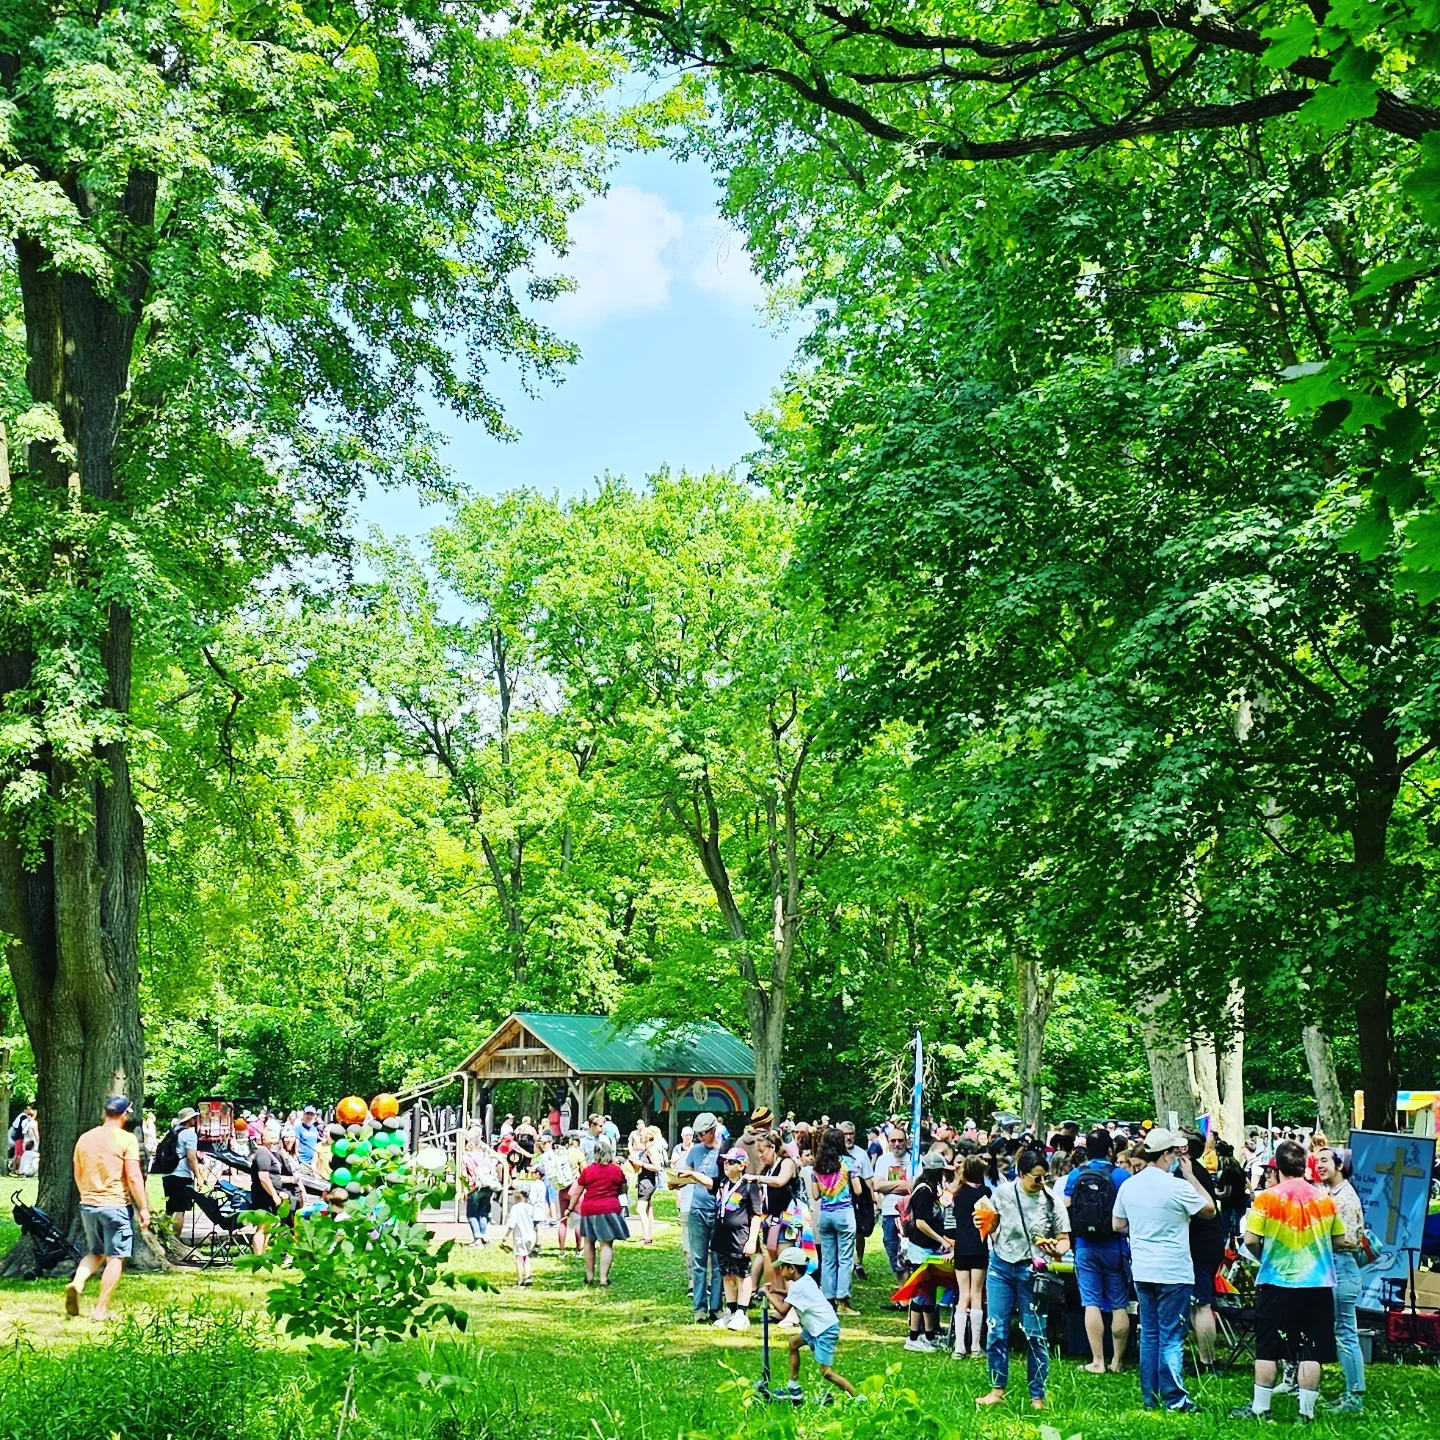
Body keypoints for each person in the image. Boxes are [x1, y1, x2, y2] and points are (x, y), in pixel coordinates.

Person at [1229, 1138, 1344, 1424]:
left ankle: (1261, 1409)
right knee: (1311, 1350)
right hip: (1317, 1283)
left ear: (1277, 1167)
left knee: (1267, 1347)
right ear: (1305, 1166)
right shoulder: (1325, 1200)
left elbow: (1251, 1240)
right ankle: (1306, 1413)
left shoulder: (1266, 1199)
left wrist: (1264, 1256)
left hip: (1277, 1281)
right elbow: (1340, 1240)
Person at [1111, 1127, 1214, 1414]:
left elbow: (1118, 1224)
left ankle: (1150, 1396)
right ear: (1166, 1155)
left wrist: (1142, 1230)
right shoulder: (1177, 1186)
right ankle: (1174, 1398)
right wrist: (1191, 1175)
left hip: (1143, 1269)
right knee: (1171, 1336)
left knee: (1150, 1333)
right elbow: (1209, 1210)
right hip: (1173, 1269)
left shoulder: (1130, 1185)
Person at [975, 1147, 1070, 1411]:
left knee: (1035, 1333)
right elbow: (991, 1226)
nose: (1042, 1182)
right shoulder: (1002, 1194)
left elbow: (1064, 1240)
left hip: (1033, 1271)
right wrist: (981, 1222)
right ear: (1021, 1174)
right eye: (1037, 1177)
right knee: (996, 1328)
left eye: (1045, 1177)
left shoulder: (1051, 1200)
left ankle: (1037, 1395)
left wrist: (1055, 1248)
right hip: (1001, 1266)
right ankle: (996, 1389)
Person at [66, 1096, 149, 1322]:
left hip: (88, 1205)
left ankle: (78, 1282)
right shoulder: (127, 1139)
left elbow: (78, 1173)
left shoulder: (84, 1138)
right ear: (125, 1115)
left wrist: (86, 1195)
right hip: (115, 1206)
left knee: (95, 1252)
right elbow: (133, 1177)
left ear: (104, 1113)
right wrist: (143, 1208)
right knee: (115, 1257)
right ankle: (100, 1310)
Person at [1064, 1127, 1131, 1375]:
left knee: (1091, 1302)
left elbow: (1067, 1208)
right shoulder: (1122, 1176)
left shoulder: (1075, 1175)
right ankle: (1117, 1361)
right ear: (1110, 1150)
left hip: (1084, 1246)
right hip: (1115, 1245)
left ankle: (1097, 1361)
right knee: (1119, 1304)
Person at [765, 1246, 858, 1400]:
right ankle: (793, 1387)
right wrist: (776, 1291)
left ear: (792, 1268)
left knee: (826, 1372)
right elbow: (792, 1295)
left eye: (782, 1267)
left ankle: (858, 1397)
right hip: (817, 1327)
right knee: (793, 1344)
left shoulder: (798, 1287)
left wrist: (767, 1294)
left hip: (824, 1329)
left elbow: (782, 1310)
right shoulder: (805, 1280)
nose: (780, 1271)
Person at [1315, 1145, 1366, 1412]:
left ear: (1340, 1165)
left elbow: (1346, 1240)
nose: (1319, 1165)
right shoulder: (1330, 1193)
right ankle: (1349, 1392)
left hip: (1342, 1267)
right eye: (1317, 1161)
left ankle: (1355, 1397)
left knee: (1346, 1332)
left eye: (1325, 1160)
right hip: (1334, 1267)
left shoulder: (1344, 1198)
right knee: (1341, 1330)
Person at [674, 1112, 725, 1321]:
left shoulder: (724, 1151)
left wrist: (694, 1176)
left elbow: (718, 1182)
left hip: (718, 1211)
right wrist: (676, 1182)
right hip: (697, 1210)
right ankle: (699, 1308)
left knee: (717, 1262)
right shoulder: (695, 1151)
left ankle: (716, 1307)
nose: (700, 1138)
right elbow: (686, 1175)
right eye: (698, 1134)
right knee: (698, 1261)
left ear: (713, 1130)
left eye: (703, 1134)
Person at [902, 1150, 953, 1352]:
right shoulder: (924, 1192)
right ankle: (913, 1337)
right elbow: (921, 1223)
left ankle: (929, 1335)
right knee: (920, 1293)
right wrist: (941, 1240)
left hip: (929, 1247)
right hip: (920, 1249)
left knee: (929, 1293)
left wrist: (944, 1239)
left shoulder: (930, 1189)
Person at [808, 1126, 862, 1316]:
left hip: (825, 1215)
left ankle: (828, 1298)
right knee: (845, 1258)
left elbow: (815, 1195)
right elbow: (858, 1190)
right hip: (844, 1213)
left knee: (828, 1258)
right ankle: (842, 1300)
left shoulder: (817, 1166)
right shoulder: (847, 1162)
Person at [1186, 1131, 1226, 1376]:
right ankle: (1206, 1358)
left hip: (1200, 1244)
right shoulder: (1197, 1170)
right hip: (1208, 1242)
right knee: (1198, 1303)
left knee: (1202, 1304)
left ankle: (1207, 1361)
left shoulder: (1190, 1173)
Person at [711, 1148, 763, 1328]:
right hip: (722, 1237)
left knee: (742, 1274)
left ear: (742, 1166)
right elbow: (705, 1181)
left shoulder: (749, 1186)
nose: (726, 1165)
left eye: (731, 1162)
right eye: (725, 1161)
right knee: (726, 1274)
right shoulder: (722, 1183)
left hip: (739, 1237)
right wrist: (690, 1175)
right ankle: (731, 1310)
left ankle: (742, 1312)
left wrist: (752, 1240)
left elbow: (756, 1216)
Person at [573, 1135, 629, 1287]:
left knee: (588, 1242)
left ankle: (590, 1276)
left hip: (589, 1209)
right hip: (610, 1208)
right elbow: (623, 1189)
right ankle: (603, 1278)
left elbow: (577, 1192)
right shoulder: (617, 1170)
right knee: (606, 1244)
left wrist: (570, 1208)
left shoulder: (588, 1171)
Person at [949, 1154, 991, 1357]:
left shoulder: (958, 1194)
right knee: (977, 1294)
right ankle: (975, 1345)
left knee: (962, 1295)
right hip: (979, 1245)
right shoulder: (985, 1192)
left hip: (961, 1246)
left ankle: (959, 1346)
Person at [837, 1120, 877, 1281]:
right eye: (845, 1134)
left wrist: (873, 1202)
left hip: (859, 1198)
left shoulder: (861, 1154)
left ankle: (858, 1263)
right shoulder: (834, 1153)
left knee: (860, 1231)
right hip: (839, 1198)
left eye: (851, 1134)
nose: (848, 1137)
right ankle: (843, 1263)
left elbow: (868, 1179)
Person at [875, 1128, 914, 1279]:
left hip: (910, 1214)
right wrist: (902, 1184)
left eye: (900, 1140)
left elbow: (912, 1187)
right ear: (889, 1142)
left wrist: (889, 1185)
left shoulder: (915, 1159)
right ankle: (903, 1292)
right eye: (893, 1141)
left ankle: (911, 1291)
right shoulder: (883, 1160)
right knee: (894, 1253)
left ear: (906, 1142)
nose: (897, 1144)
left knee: (910, 1254)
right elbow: (877, 1186)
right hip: (889, 1213)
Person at [161, 1106, 204, 1221]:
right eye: (193, 1118)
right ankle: (175, 1234)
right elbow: (191, 1157)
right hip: (182, 1175)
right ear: (188, 1120)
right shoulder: (189, 1134)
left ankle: (158, 1231)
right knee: (180, 1210)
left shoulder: (171, 1132)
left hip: (167, 1175)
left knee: (170, 1209)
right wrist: (198, 1176)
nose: (195, 1120)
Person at [631, 1125, 666, 1245]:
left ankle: (646, 1237)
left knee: (640, 1209)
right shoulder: (647, 1149)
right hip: (645, 1181)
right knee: (647, 1210)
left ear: (649, 1136)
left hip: (647, 1183)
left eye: (642, 1135)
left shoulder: (651, 1150)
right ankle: (649, 1235)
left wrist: (641, 1164)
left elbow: (657, 1167)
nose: (640, 1136)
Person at [462, 1136, 499, 1246]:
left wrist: (464, 1189)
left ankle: (477, 1238)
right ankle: (484, 1237)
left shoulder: (466, 1156)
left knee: (472, 1214)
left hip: (474, 1187)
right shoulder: (486, 1155)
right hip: (488, 1186)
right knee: (483, 1213)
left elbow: (464, 1175)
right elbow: (493, 1170)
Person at [507, 1180, 541, 1285]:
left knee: (519, 1258)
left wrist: (505, 1236)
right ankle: (527, 1276)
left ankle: (520, 1280)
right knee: (526, 1256)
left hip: (519, 1237)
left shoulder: (515, 1208)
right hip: (529, 1236)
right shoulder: (530, 1208)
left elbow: (511, 1224)